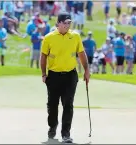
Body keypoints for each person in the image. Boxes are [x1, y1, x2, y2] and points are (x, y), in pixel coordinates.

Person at [40, 12, 90, 143]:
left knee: (68, 105)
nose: (68, 25)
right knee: (52, 105)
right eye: (65, 23)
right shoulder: (48, 38)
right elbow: (43, 56)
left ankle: (66, 134)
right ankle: (52, 127)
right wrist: (43, 74)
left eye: (69, 23)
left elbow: (81, 53)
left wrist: (86, 70)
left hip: (70, 75)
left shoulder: (75, 36)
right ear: (58, 23)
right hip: (54, 76)